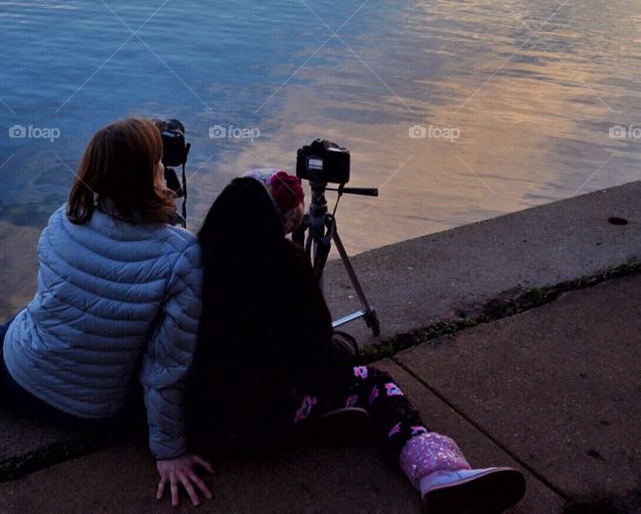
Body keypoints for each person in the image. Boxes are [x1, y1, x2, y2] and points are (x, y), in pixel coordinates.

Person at [0, 118, 213, 507]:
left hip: (20, 380)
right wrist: (169, 451)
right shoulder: (182, 254)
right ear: (152, 171)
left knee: (35, 313)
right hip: (92, 413)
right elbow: (166, 366)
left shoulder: (63, 220)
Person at [187, 171, 527, 513]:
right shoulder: (286, 267)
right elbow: (318, 350)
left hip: (210, 427)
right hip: (268, 420)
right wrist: (344, 352)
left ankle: (315, 423)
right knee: (375, 383)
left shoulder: (191, 264)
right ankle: (438, 473)